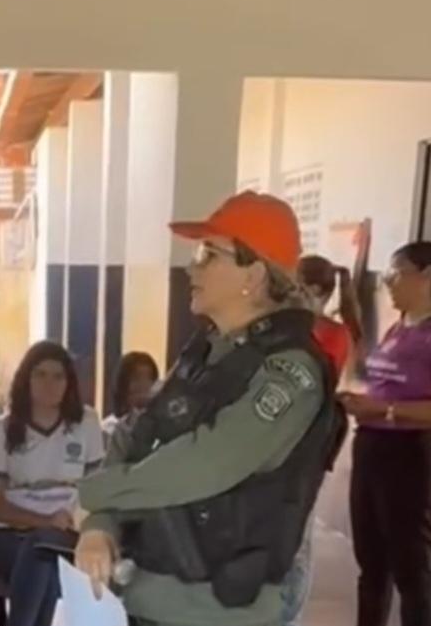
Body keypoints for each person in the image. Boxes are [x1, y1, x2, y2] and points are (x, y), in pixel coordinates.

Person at [75, 191, 345, 626]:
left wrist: (95, 494)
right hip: (142, 599)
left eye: (208, 254)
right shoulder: (206, 351)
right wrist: (100, 526)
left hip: (217, 613)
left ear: (253, 275)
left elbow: (207, 464)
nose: (191, 267)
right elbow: (134, 436)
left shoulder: (291, 372)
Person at [339, 241, 431, 626]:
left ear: (427, 274)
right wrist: (358, 400)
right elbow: (383, 385)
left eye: (395, 276)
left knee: (410, 568)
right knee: (371, 565)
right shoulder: (397, 328)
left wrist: (384, 410)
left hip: (410, 454)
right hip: (371, 447)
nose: (388, 285)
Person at [0, 341, 105, 626]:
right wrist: (43, 521)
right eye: (40, 374)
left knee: (45, 555)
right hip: (7, 536)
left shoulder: (86, 423)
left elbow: (96, 489)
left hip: (66, 533)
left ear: (69, 383)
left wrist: (68, 524)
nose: (50, 384)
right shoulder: (2, 429)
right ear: (26, 379)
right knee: (42, 551)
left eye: (58, 376)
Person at [280, 255, 363, 626]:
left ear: (316, 291)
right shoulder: (293, 327)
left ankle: (290, 615)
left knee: (298, 535)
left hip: (306, 442)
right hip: (286, 439)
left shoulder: (329, 333)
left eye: (298, 288)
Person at [101, 352, 160, 437]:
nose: (144, 384)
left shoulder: (159, 429)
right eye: (137, 378)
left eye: (149, 378)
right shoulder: (109, 429)